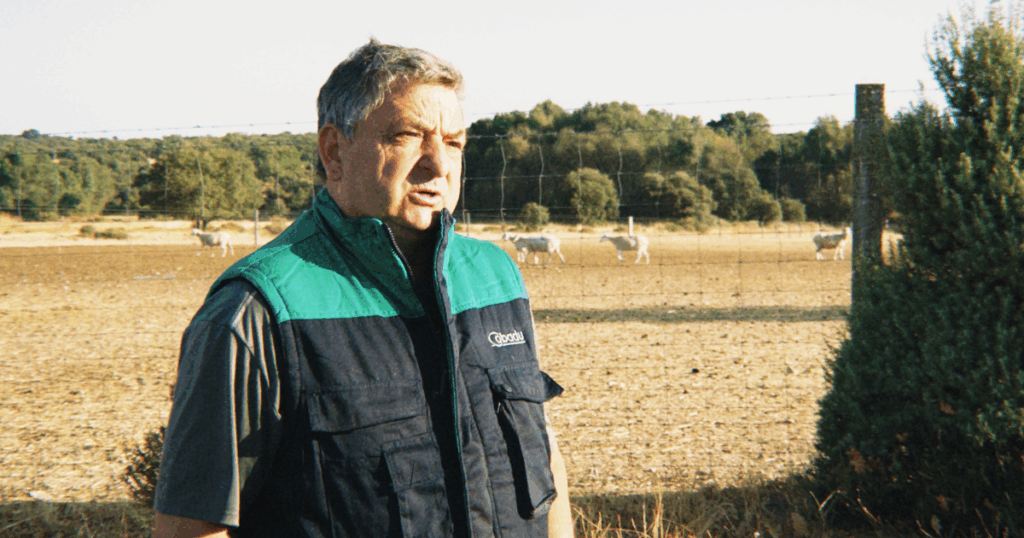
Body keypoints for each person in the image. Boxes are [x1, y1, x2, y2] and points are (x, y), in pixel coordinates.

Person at [152, 38, 573, 538]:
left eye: (455, 142)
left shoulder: (496, 276)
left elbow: (547, 466)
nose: (438, 163)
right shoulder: (255, 311)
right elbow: (192, 527)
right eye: (407, 135)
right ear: (334, 151)